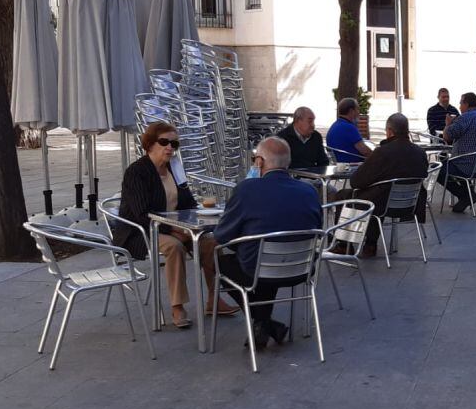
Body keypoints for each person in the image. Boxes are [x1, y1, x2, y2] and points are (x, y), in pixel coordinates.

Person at [114, 122, 237, 329]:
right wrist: (172, 230)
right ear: (150, 144)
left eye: (174, 143)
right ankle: (177, 306)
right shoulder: (137, 172)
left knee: (211, 244)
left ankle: (214, 299)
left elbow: (188, 203)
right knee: (174, 247)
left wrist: (199, 217)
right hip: (142, 230)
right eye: (164, 142)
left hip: (176, 227)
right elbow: (143, 214)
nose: (170, 147)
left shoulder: (175, 168)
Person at [212, 136, 323, 350]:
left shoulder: (247, 190)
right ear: (287, 163)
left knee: (219, 258)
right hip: (302, 267)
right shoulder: (309, 191)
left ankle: (265, 323)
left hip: (259, 268)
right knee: (264, 258)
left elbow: (222, 236)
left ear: (259, 162)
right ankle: (265, 325)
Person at [334, 113, 428, 258]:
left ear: (389, 131)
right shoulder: (420, 153)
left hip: (382, 205)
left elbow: (356, 182)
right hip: (411, 205)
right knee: (376, 195)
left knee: (344, 195)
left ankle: (343, 245)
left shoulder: (383, 152)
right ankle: (370, 244)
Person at [441, 92, 476, 212]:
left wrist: (448, 124)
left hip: (468, 164)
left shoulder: (466, 117)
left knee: (439, 170)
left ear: (466, 104)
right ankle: (468, 194)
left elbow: (447, 137)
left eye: (461, 103)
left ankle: (466, 196)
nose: (460, 106)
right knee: (451, 165)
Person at [326, 97, 372, 162]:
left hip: (338, 165)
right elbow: (365, 151)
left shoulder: (334, 125)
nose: (359, 113)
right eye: (357, 109)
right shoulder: (349, 128)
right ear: (351, 111)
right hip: (352, 166)